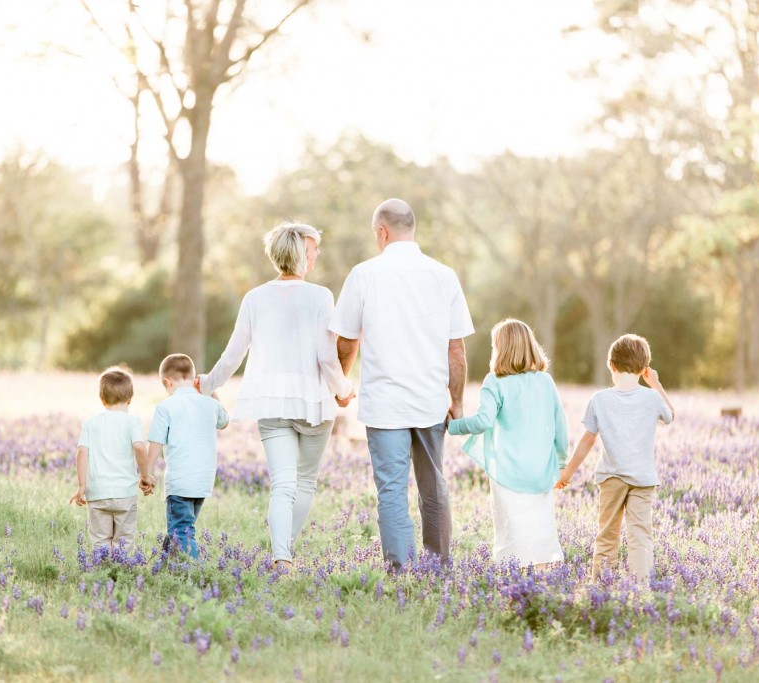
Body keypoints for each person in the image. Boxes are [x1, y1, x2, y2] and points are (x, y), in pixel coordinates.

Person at [197, 222, 354, 572]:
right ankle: (284, 550)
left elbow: (233, 355)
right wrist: (344, 390)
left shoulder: (255, 298)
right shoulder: (320, 296)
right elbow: (327, 358)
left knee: (282, 484)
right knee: (305, 482)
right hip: (313, 402)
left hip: (269, 401)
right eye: (313, 250)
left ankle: (282, 556)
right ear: (300, 253)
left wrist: (207, 384)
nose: (315, 256)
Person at [330, 198, 474, 570]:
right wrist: (456, 402)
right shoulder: (444, 275)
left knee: (392, 493)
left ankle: (402, 572)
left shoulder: (364, 274)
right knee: (434, 489)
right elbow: (455, 349)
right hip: (429, 401)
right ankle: (438, 567)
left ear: (382, 232)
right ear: (412, 228)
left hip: (385, 404)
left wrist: (342, 382)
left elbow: (346, 340)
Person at [447, 319, 568, 570]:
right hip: (542, 469)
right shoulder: (546, 381)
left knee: (512, 530)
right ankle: (544, 583)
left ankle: (515, 583)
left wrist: (454, 425)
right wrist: (562, 462)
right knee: (540, 528)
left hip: (508, 470)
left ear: (500, 349)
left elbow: (483, 421)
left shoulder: (495, 382)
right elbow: (560, 425)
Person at [555, 333, 675, 583]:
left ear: (611, 365)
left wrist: (567, 473)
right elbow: (670, 415)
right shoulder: (652, 398)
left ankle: (601, 587)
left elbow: (587, 440)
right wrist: (656, 384)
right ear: (644, 368)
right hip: (642, 479)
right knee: (640, 536)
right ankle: (641, 590)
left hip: (611, 478)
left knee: (607, 534)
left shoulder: (600, 399)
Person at [147, 354, 229, 559]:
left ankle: (193, 570)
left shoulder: (165, 407)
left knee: (181, 530)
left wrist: (146, 473)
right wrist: (210, 390)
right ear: (194, 379)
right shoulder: (209, 404)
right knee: (179, 526)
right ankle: (164, 565)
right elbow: (225, 421)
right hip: (203, 481)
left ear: (167, 382)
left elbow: (155, 443)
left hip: (179, 481)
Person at [69, 367, 152, 551]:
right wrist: (145, 476)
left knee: (100, 541)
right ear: (130, 398)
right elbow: (139, 447)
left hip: (97, 493)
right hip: (125, 493)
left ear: (102, 399)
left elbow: (81, 452)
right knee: (124, 541)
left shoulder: (90, 423)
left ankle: (102, 576)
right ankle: (119, 577)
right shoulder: (132, 422)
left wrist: (82, 485)